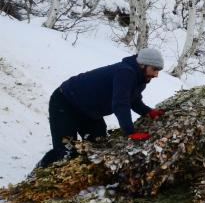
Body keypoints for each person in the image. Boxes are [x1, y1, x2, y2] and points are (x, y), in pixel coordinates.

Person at [38, 48, 166, 168]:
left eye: (158, 71)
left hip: (89, 112)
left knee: (98, 146)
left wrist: (149, 112)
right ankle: (38, 173)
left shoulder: (140, 79)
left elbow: (133, 100)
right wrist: (130, 132)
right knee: (65, 151)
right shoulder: (125, 72)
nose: (156, 74)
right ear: (143, 64)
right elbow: (120, 104)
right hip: (66, 102)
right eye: (154, 69)